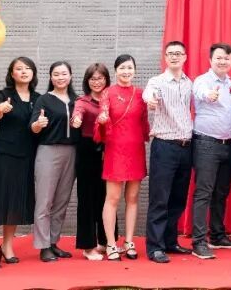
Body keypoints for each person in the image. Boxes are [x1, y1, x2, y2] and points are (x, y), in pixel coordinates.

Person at [0, 57, 38, 269]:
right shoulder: (4, 95)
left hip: (26, 156)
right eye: (19, 69)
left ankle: (7, 246)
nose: (24, 71)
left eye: (28, 68)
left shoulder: (38, 98)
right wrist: (0, 109)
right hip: (3, 154)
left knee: (15, 201)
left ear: (33, 73)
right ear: (12, 74)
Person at [142, 40, 195, 264]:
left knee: (178, 199)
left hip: (186, 146)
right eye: (170, 53)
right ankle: (155, 247)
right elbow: (149, 94)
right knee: (160, 198)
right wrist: (151, 100)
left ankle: (170, 241)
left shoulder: (189, 83)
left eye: (178, 53)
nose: (174, 57)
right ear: (165, 58)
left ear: (185, 57)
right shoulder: (157, 82)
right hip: (164, 147)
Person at [95, 54, 149, 261]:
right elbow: (102, 118)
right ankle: (111, 243)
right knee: (113, 198)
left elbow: (144, 123)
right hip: (115, 150)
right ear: (116, 71)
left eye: (130, 68)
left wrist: (150, 134)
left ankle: (129, 241)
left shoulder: (141, 94)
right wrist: (102, 120)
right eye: (122, 68)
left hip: (136, 149)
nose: (126, 71)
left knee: (133, 198)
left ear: (134, 70)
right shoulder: (108, 93)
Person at [190, 42, 231, 259]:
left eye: (227, 58)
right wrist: (209, 95)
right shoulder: (203, 81)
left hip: (228, 144)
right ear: (210, 60)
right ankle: (198, 241)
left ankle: (217, 235)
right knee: (204, 192)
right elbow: (201, 93)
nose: (223, 61)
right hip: (206, 144)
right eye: (219, 57)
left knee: (221, 192)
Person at [30, 61, 78, 262]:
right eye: (56, 74)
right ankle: (43, 246)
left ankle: (53, 242)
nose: (60, 77)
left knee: (61, 201)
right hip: (48, 152)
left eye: (64, 73)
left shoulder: (77, 100)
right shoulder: (44, 100)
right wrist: (38, 124)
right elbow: (33, 127)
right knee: (44, 201)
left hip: (72, 152)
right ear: (51, 77)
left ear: (70, 76)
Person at [71, 63, 114, 261]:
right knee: (87, 198)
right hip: (88, 150)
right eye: (93, 79)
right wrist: (76, 120)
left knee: (107, 197)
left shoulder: (110, 99)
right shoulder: (82, 101)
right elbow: (77, 113)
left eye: (100, 78)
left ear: (106, 79)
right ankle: (88, 246)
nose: (97, 82)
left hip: (109, 150)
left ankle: (106, 241)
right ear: (87, 81)